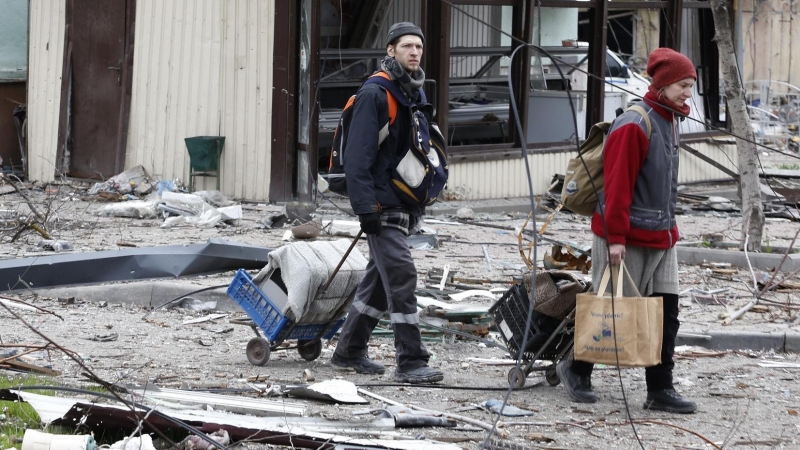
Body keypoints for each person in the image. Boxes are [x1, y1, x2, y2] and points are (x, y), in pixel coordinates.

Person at [556, 47, 698, 414]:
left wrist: (671, 231)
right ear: (664, 84)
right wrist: (615, 238)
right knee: (609, 307)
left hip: (662, 236)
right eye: (683, 85)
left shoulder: (670, 119)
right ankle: (575, 369)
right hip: (624, 235)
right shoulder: (635, 123)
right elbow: (617, 187)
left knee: (667, 311)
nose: (688, 93)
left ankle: (660, 389)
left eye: (691, 86)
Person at [330, 22, 444, 384]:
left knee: (380, 282)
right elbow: (358, 159)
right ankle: (411, 361)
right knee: (401, 275)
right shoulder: (375, 94)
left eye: (419, 47)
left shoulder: (411, 93)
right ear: (391, 50)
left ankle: (348, 351)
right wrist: (365, 210)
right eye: (407, 46)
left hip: (402, 205)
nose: (415, 52)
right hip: (379, 206)